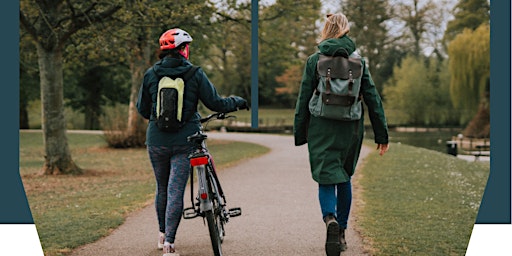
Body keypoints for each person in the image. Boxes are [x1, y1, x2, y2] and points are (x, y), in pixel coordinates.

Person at [136, 28, 248, 256]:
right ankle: (170, 244)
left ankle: (161, 236)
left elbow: (142, 109)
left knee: (162, 188)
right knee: (176, 189)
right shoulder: (195, 73)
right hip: (186, 139)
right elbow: (216, 103)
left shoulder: (150, 74)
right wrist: (237, 101)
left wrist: (159, 119)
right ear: (184, 49)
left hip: (156, 141)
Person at [293, 13, 389, 256]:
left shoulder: (314, 60)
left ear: (326, 29)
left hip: (321, 126)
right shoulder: (360, 61)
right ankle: (342, 233)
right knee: (344, 176)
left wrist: (300, 133)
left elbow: (304, 98)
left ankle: (330, 219)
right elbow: (372, 99)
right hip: (351, 127)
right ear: (346, 30)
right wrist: (382, 135)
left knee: (326, 176)